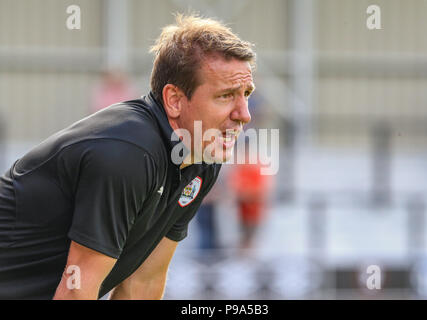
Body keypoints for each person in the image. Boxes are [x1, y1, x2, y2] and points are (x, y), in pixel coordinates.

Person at [0, 13, 256, 300]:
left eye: (246, 94)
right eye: (225, 96)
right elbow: (76, 289)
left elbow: (143, 282)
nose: (244, 114)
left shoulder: (202, 158)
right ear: (174, 100)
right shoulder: (129, 154)